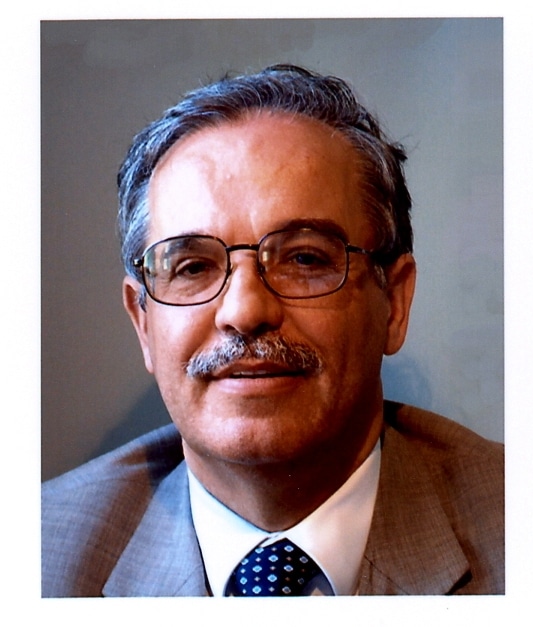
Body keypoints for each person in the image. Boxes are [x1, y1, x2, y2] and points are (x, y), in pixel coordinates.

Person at [41, 64, 504, 597]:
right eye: (192, 266)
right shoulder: (36, 556)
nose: (244, 311)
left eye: (304, 258)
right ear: (143, 323)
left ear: (394, 304)